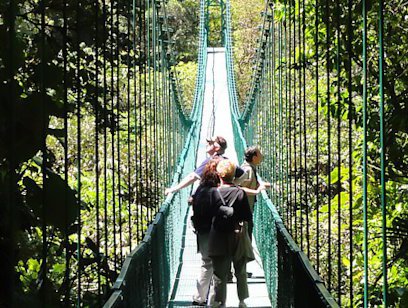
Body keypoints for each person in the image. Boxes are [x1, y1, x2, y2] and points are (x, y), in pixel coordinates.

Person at [208, 160, 253, 308]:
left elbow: (208, 215)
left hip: (217, 236)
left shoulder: (213, 193)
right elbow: (247, 216)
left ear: (219, 175)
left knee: (219, 272)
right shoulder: (240, 192)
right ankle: (242, 301)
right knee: (240, 269)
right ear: (234, 175)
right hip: (236, 234)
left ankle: (220, 302)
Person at [164, 136, 243, 195]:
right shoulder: (227, 162)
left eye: (210, 143)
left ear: (217, 148)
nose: (207, 144)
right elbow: (244, 175)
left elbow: (192, 177)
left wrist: (173, 189)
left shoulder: (210, 161)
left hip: (210, 199)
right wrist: (230, 186)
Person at [190, 158, 221, 306]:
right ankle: (215, 300)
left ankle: (199, 297)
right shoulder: (215, 192)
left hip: (201, 232)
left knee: (206, 263)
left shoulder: (199, 191)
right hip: (215, 233)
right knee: (217, 265)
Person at [235, 146, 270, 241]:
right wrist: (257, 192)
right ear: (254, 158)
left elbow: (255, 183)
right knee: (245, 236)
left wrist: (270, 185)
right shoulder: (247, 170)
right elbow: (238, 188)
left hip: (246, 210)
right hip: (243, 211)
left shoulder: (251, 168)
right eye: (260, 154)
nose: (262, 156)